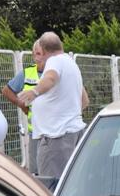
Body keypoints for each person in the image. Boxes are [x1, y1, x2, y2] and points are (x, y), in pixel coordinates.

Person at [17, 32, 89, 177]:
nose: (37, 57)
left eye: (38, 53)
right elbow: (85, 100)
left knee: (51, 186)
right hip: (69, 132)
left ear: (43, 50)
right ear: (60, 45)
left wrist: (34, 92)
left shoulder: (54, 62)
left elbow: (51, 78)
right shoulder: (71, 63)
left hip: (56, 137)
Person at [3, 45, 44, 173]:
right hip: (36, 134)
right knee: (37, 175)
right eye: (34, 54)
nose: (36, 58)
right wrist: (21, 104)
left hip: (57, 133)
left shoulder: (56, 72)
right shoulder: (27, 73)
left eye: (39, 54)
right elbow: (6, 91)